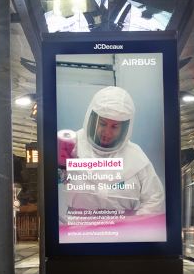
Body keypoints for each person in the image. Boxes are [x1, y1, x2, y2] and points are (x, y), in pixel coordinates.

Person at [61, 86, 164, 221]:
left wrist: (135, 226)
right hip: (78, 232)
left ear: (125, 127)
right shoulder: (71, 147)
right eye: (102, 123)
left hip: (122, 236)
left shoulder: (136, 157)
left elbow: (154, 195)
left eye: (115, 126)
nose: (107, 132)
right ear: (92, 119)